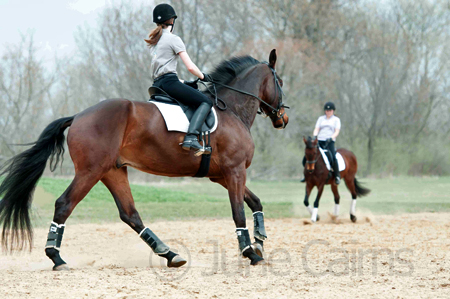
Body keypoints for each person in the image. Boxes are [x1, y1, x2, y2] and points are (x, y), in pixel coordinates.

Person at [145, 3, 213, 155]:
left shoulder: (154, 42)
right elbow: (190, 67)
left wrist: (184, 83)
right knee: (206, 101)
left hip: (159, 84)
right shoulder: (173, 39)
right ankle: (191, 137)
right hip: (169, 83)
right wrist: (203, 76)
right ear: (172, 21)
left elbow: (162, 70)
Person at [301, 102, 341, 184]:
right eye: (327, 110)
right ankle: (306, 175)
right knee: (308, 156)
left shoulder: (336, 120)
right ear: (325, 111)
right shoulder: (321, 119)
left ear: (333, 111)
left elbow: (337, 131)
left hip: (329, 142)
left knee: (333, 157)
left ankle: (337, 176)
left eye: (330, 110)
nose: (328, 112)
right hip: (319, 141)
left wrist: (331, 138)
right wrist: (315, 136)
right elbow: (316, 129)